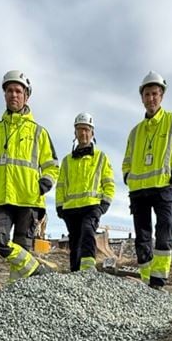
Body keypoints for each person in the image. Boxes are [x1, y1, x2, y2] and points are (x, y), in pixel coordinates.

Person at [0, 70, 59, 282]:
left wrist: (43, 186)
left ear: (26, 96)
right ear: (4, 95)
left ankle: (17, 296)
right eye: (9, 90)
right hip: (0, 198)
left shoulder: (39, 132)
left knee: (22, 249)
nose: (14, 95)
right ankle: (37, 270)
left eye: (18, 91)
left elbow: (52, 165)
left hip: (29, 199)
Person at [122, 72, 172, 290]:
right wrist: (127, 176)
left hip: (164, 187)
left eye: (155, 94)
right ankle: (145, 279)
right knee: (142, 236)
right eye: (147, 94)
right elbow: (127, 160)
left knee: (165, 229)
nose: (151, 98)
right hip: (139, 190)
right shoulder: (135, 132)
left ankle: (159, 280)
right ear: (142, 97)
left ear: (161, 96)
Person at [56, 113, 115, 272]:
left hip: (92, 206)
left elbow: (109, 183)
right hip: (71, 208)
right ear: (75, 133)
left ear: (92, 133)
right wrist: (60, 206)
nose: (83, 133)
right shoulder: (67, 160)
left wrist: (104, 204)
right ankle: (75, 272)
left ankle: (88, 271)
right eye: (80, 129)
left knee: (88, 233)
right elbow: (60, 185)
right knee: (74, 240)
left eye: (86, 129)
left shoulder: (101, 157)